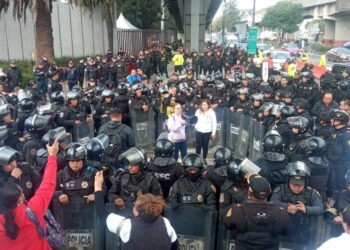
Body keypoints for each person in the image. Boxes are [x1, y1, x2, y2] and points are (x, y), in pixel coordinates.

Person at [94, 170, 178, 250]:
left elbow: (102, 215)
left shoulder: (127, 226)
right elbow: (174, 246)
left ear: (137, 209)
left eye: (135, 205)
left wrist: (97, 187)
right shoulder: (165, 222)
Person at [0, 139, 59, 250]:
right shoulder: (33, 211)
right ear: (21, 198)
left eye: (13, 161)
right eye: (7, 164)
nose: (12, 165)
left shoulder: (25, 167)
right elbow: (47, 185)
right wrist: (52, 156)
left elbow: (40, 183)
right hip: (34, 208)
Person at [224, 174, 292, 250]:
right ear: (269, 190)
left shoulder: (237, 210)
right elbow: (287, 232)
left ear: (249, 192)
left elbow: (227, 225)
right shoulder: (281, 212)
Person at [194, 99, 217, 164]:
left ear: (208, 105)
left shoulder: (211, 112)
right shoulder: (198, 111)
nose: (203, 106)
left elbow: (214, 123)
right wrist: (196, 127)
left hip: (207, 132)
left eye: (205, 105)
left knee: (205, 146)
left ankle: (204, 159)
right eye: (202, 105)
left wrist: (213, 133)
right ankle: (197, 159)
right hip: (199, 131)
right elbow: (195, 120)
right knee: (198, 146)